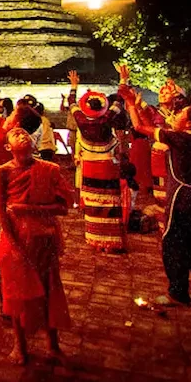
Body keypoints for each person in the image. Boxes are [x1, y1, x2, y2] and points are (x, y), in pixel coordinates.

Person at [121, 84, 191, 308]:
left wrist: (130, 104)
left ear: (190, 123)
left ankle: (178, 292)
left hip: (183, 199)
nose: (176, 116)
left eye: (181, 115)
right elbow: (150, 126)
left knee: (173, 243)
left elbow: (139, 126)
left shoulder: (181, 138)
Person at [0, 128, 72, 364]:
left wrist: (29, 209)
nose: (22, 135)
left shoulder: (49, 169)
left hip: (43, 237)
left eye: (24, 133)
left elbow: (63, 207)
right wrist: (13, 244)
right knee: (16, 293)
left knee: (49, 289)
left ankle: (53, 343)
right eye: (15, 134)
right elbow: (1, 211)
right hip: (15, 238)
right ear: (8, 147)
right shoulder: (3, 172)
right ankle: (20, 345)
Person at [67, 71, 128, 253]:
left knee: (93, 205)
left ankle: (96, 240)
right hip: (107, 166)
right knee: (110, 204)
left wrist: (74, 86)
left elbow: (71, 102)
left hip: (90, 167)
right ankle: (111, 242)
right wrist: (123, 79)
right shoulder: (106, 119)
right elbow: (118, 100)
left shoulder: (81, 120)